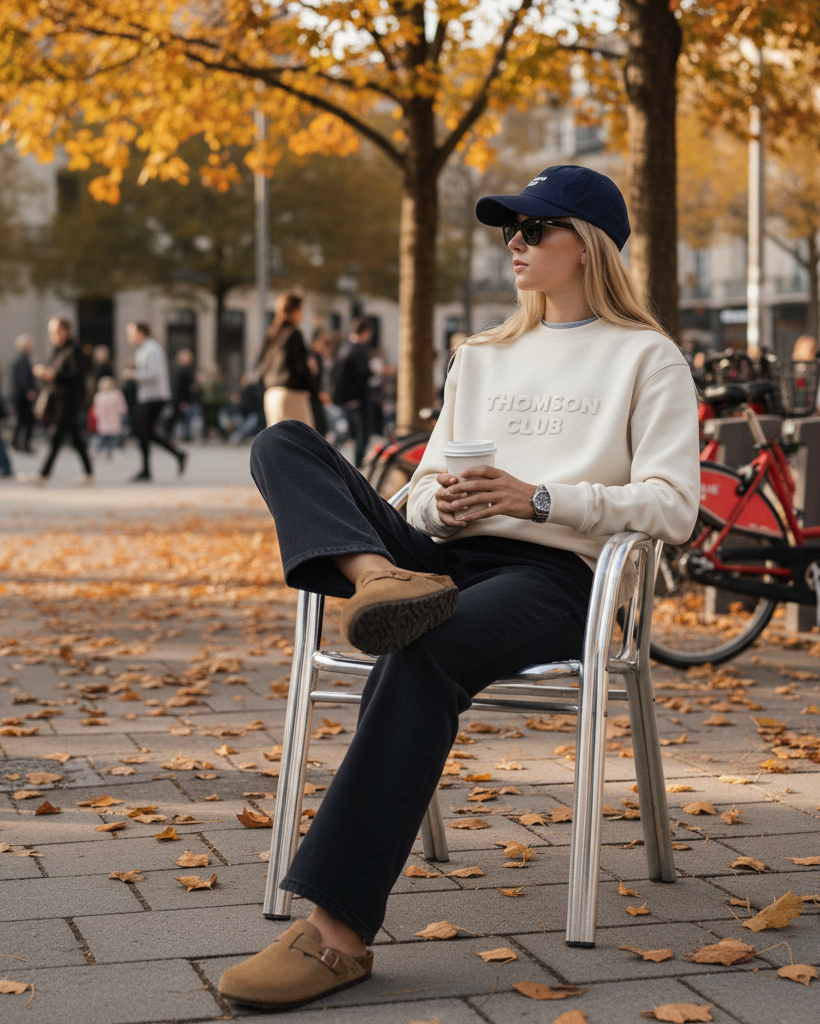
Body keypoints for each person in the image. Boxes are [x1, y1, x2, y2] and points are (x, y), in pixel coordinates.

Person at [219, 164, 701, 1011]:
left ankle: (334, 936)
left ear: (586, 246)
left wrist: (541, 498)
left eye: (532, 228)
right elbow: (426, 482)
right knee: (283, 441)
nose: (513, 243)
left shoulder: (647, 358)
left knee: (423, 645)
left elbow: (675, 507)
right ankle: (377, 580)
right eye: (507, 229)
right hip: (436, 559)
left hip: (553, 575)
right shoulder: (481, 355)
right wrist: (429, 501)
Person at [26, 317, 93, 485]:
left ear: (66, 330)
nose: (53, 335)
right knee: (75, 438)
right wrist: (44, 374)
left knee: (57, 436)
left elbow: (78, 375)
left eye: (56, 331)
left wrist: (55, 376)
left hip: (70, 400)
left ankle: (43, 475)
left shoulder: (75, 350)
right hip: (58, 399)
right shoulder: (56, 349)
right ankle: (89, 473)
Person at [124, 321, 186, 481]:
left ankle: (147, 469)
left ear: (140, 332)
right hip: (148, 396)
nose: (129, 336)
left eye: (131, 332)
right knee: (146, 432)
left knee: (142, 430)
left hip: (154, 396)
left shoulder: (151, 349)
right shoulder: (144, 350)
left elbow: (154, 373)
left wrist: (133, 374)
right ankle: (177, 455)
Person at [258, 290, 317, 429]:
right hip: (291, 394)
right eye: (300, 309)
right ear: (294, 310)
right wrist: (314, 388)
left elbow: (261, 363)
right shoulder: (294, 334)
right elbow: (300, 367)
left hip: (271, 394)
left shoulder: (271, 333)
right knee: (305, 441)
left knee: (277, 442)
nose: (302, 314)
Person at [331, 316, 373, 467]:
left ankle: (333, 461)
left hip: (343, 399)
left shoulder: (343, 348)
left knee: (345, 434)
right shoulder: (359, 351)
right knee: (361, 435)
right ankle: (358, 465)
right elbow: (362, 376)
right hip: (357, 400)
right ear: (365, 332)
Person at [12, 334, 37, 453]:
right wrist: (29, 391)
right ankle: (22, 444)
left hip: (21, 396)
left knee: (22, 421)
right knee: (26, 421)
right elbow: (23, 378)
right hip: (23, 396)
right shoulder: (22, 360)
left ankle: (16, 443)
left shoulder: (23, 359)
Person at [92, 376, 128, 458]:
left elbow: (96, 408)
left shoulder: (99, 395)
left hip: (104, 418)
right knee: (111, 437)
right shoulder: (116, 394)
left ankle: (99, 450)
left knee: (103, 436)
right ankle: (108, 452)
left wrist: (96, 415)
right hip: (113, 418)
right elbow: (122, 407)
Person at [167, 348, 198, 441]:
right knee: (176, 417)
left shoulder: (184, 370)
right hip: (180, 399)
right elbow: (178, 386)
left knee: (181, 417)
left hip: (182, 399)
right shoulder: (180, 370)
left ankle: (184, 435)